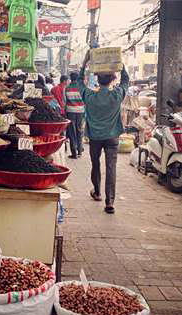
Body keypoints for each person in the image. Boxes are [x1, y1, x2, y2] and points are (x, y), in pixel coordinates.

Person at [78, 50, 129, 214]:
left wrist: (85, 63)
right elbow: (126, 81)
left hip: (94, 138)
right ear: (112, 79)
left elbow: (79, 81)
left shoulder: (89, 96)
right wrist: (120, 64)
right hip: (112, 137)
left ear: (97, 80)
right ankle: (110, 202)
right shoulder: (117, 95)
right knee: (111, 168)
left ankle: (97, 192)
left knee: (95, 164)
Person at [65, 71, 85, 159]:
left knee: (72, 132)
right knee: (79, 130)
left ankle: (74, 153)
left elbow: (65, 101)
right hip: (80, 111)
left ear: (71, 78)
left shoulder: (67, 88)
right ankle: (80, 151)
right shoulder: (81, 88)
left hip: (70, 111)